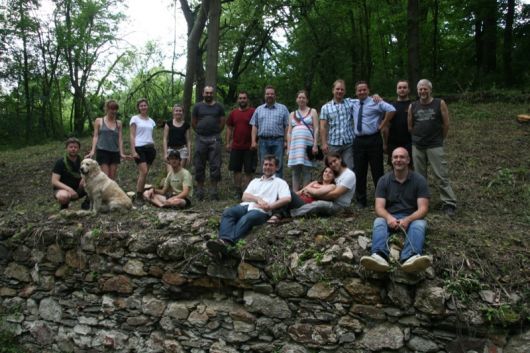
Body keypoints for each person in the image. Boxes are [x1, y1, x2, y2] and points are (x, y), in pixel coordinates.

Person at [360, 147, 432, 273]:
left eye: (402, 157)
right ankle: (379, 256)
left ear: (408, 160)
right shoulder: (383, 180)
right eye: (395, 157)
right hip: (390, 216)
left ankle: (410, 257)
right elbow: (379, 207)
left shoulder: (419, 180)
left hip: (412, 217)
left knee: (419, 225)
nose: (398, 160)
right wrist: (389, 218)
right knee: (379, 222)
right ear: (391, 160)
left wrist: (408, 219)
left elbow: (423, 208)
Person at [207, 155, 291, 256]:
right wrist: (258, 199)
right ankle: (223, 240)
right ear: (262, 166)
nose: (267, 167)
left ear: (276, 167)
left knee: (248, 218)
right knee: (228, 212)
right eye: (265, 164)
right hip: (246, 205)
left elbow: (287, 199)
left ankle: (227, 243)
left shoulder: (280, 183)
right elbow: (244, 196)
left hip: (261, 211)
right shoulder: (255, 181)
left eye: (271, 165)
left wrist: (270, 207)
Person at [408, 79, 457, 217]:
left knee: (441, 174)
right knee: (419, 176)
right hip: (417, 145)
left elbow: (446, 124)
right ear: (417, 91)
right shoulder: (413, 105)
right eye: (420, 89)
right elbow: (410, 125)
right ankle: (421, 202)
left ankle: (449, 202)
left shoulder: (439, 103)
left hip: (435, 144)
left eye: (425, 89)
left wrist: (440, 139)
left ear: (430, 90)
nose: (423, 91)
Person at [351, 81, 396, 208]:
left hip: (374, 139)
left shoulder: (375, 102)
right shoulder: (353, 103)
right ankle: (361, 200)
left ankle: (381, 199)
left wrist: (383, 124)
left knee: (377, 170)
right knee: (359, 171)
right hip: (359, 141)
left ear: (368, 90)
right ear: (356, 92)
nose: (362, 92)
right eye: (359, 90)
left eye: (364, 89)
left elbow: (392, 110)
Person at [289, 152, 356, 217]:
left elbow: (334, 195)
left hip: (339, 206)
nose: (333, 164)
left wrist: (314, 195)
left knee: (319, 204)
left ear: (340, 159)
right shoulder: (335, 175)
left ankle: (291, 214)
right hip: (329, 201)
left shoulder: (349, 175)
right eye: (330, 163)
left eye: (334, 161)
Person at [192, 85, 226, 201]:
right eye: (207, 93)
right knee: (199, 164)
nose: (209, 95)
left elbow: (222, 122)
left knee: (215, 165)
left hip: (214, 139)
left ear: (213, 94)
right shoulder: (197, 106)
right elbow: (194, 122)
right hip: (201, 138)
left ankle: (214, 191)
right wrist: (201, 131)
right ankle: (200, 190)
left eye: (211, 93)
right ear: (203, 93)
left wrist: (216, 131)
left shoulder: (219, 107)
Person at [250, 85, 290, 178]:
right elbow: (254, 126)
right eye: (267, 94)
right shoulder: (259, 109)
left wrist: (286, 141)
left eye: (272, 94)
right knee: (265, 166)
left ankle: (278, 190)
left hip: (278, 141)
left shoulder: (283, 108)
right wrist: (253, 141)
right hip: (263, 141)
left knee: (278, 166)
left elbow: (287, 126)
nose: (269, 95)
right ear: (264, 95)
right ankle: (266, 189)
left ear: (275, 95)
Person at [85, 100, 127, 180]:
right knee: (105, 177)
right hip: (102, 151)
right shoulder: (99, 121)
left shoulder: (119, 123)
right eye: (112, 109)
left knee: (112, 178)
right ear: (107, 109)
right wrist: (92, 150)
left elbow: (120, 138)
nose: (114, 111)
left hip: (114, 152)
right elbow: (95, 136)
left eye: (115, 109)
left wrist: (121, 152)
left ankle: (110, 192)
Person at [319, 79, 356, 170]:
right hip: (333, 144)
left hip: (349, 143)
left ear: (345, 91)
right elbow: (322, 127)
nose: (340, 91)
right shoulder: (325, 107)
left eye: (342, 89)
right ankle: (333, 184)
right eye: (337, 89)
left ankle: (346, 185)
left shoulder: (351, 103)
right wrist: (323, 143)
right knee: (333, 169)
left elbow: (364, 100)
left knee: (349, 169)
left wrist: (375, 97)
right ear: (333, 90)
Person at [287, 90, 319, 191]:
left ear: (307, 100)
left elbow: (316, 128)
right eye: (299, 97)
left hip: (307, 145)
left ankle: (305, 194)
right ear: (296, 100)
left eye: (303, 97)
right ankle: (295, 194)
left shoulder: (312, 111)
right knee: (295, 171)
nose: (301, 99)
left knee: (306, 170)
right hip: (295, 146)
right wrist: (288, 147)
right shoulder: (292, 114)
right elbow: (289, 132)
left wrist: (315, 145)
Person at [226, 91, 256, 198]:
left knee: (248, 170)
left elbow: (256, 127)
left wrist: (255, 141)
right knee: (236, 170)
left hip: (250, 147)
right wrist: (228, 142)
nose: (242, 100)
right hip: (236, 146)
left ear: (247, 99)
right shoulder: (233, 113)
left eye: (244, 98)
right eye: (240, 98)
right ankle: (238, 191)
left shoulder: (253, 112)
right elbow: (229, 128)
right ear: (238, 100)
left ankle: (247, 192)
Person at [130, 98, 157, 206]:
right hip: (139, 148)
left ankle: (140, 194)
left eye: (145, 105)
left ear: (147, 106)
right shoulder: (135, 119)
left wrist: (153, 145)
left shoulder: (151, 121)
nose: (143, 107)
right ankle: (139, 196)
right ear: (138, 107)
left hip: (150, 148)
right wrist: (133, 151)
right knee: (144, 171)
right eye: (141, 106)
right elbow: (132, 135)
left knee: (144, 174)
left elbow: (150, 135)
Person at [382, 80, 413, 167]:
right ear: (396, 90)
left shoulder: (413, 105)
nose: (402, 89)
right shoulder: (390, 107)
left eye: (404, 87)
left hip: (410, 143)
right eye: (400, 87)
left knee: (410, 168)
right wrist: (385, 144)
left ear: (408, 90)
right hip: (393, 143)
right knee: (395, 168)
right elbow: (385, 127)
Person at [51, 137, 88, 210]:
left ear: (78, 149)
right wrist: (69, 189)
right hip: (64, 189)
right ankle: (64, 207)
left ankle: (87, 204)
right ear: (66, 148)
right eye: (71, 147)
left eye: (75, 147)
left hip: (79, 188)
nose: (73, 149)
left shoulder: (83, 162)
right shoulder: (60, 162)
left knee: (95, 184)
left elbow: (92, 173)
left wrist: (84, 178)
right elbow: (54, 181)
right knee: (63, 196)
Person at [163, 104, 191, 171]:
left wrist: (189, 154)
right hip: (170, 150)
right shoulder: (168, 123)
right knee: (170, 172)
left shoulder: (186, 125)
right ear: (173, 112)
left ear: (183, 112)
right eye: (176, 110)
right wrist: (165, 153)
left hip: (182, 150)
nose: (178, 112)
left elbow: (188, 140)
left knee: (180, 172)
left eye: (180, 111)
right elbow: (165, 139)